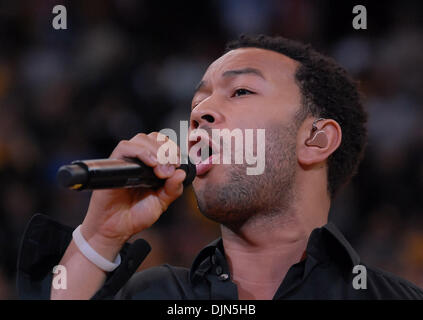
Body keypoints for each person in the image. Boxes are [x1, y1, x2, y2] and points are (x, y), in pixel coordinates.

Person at [17, 35, 423, 299]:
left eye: (241, 91)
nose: (201, 113)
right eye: (198, 103)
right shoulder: (156, 294)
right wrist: (98, 237)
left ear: (316, 140)